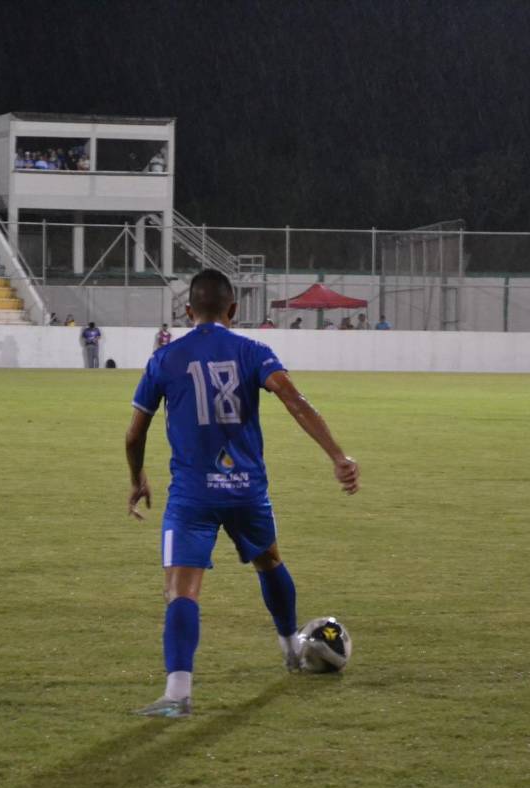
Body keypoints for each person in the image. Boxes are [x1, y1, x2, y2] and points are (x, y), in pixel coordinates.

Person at [125, 269, 360, 718]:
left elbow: (135, 435)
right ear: (233, 310)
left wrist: (137, 478)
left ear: (187, 311)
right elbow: (295, 400)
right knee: (269, 561)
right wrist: (337, 455)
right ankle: (292, 648)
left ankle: (178, 694)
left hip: (192, 494)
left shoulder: (165, 358)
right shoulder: (253, 351)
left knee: (181, 590)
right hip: (246, 489)